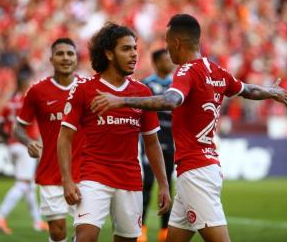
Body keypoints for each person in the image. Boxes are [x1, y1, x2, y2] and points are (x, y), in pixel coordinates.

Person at [90, 14, 287, 242]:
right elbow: (248, 90)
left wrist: (122, 100)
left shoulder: (186, 72)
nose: (166, 49)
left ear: (176, 43)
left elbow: (171, 101)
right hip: (198, 168)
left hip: (197, 172)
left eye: (167, 43)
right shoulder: (217, 71)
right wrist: (271, 91)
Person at [57, 22, 171, 242]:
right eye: (126, 49)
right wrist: (67, 180)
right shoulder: (84, 89)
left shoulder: (142, 92)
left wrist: (164, 185)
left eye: (135, 48)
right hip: (93, 176)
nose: (134, 55)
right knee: (85, 237)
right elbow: (64, 138)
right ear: (109, 53)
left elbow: (152, 143)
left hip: (130, 179)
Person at [14, 38, 84, 242]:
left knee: (85, 231)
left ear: (76, 58)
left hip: (85, 171)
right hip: (50, 171)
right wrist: (28, 142)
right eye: (60, 54)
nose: (65, 58)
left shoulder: (87, 87)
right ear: (51, 59)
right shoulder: (37, 91)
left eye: (70, 54)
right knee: (57, 230)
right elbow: (18, 126)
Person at [0, 69, 48, 235]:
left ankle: (37, 221)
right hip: (25, 145)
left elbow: (0, 125)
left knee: (29, 186)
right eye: (30, 82)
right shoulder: (28, 100)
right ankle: (0, 216)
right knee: (23, 184)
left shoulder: (11, 102)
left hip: (12, 145)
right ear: (25, 84)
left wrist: (7, 140)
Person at [138, 49, 175, 242]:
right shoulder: (146, 84)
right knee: (148, 184)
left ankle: (164, 230)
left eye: (170, 59)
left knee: (168, 184)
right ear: (155, 62)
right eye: (165, 59)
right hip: (151, 142)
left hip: (171, 142)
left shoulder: (176, 85)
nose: (169, 63)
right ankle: (141, 228)